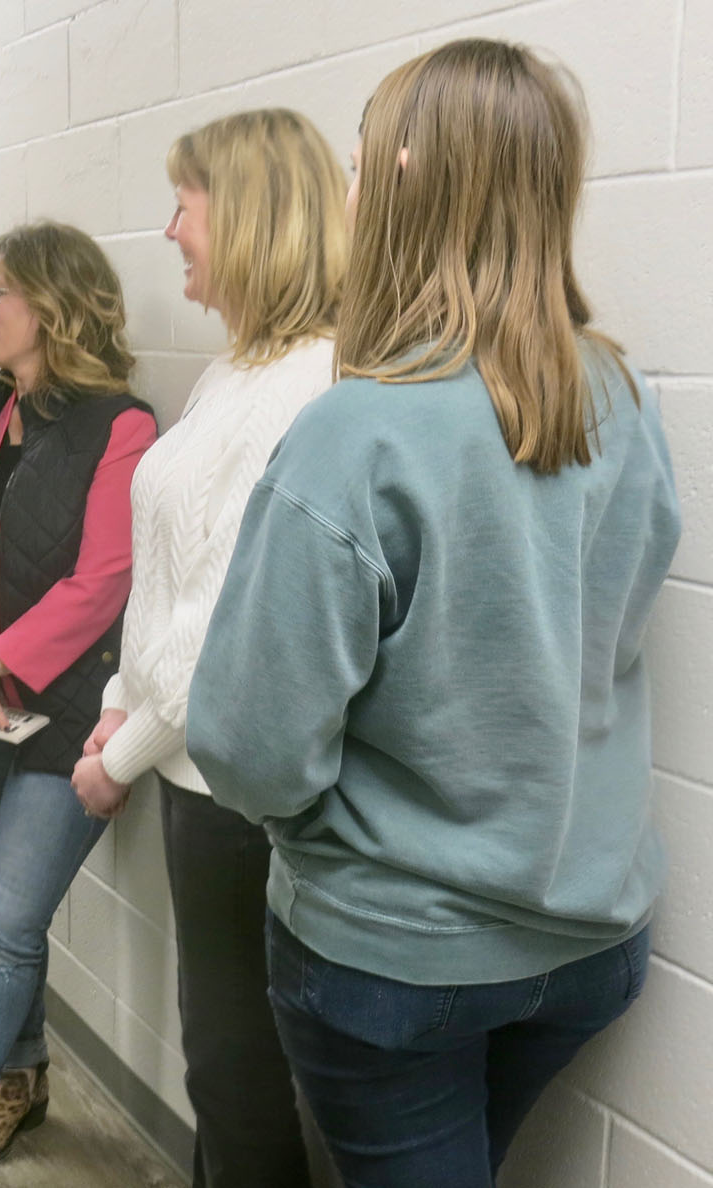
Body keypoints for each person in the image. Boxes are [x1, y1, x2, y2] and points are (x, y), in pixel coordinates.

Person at [187, 40, 682, 1188]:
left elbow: (251, 748)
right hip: (590, 940)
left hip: (397, 961)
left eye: (356, 171)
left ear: (406, 180)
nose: (344, 200)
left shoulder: (355, 433)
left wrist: (328, 832)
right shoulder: (624, 396)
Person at [72, 109, 347, 1187]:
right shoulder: (234, 371)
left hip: (229, 785)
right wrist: (114, 694)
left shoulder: (314, 385)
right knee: (223, 1063)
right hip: (183, 763)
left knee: (235, 1067)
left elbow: (234, 627)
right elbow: (171, 574)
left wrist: (115, 756)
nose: (171, 229)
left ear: (246, 215)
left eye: (184, 204)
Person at [0, 221, 156, 1187]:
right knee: (3, 923)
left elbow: (104, 580)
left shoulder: (120, 426)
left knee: (7, 923)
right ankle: (26, 1077)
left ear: (52, 307)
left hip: (69, 722)